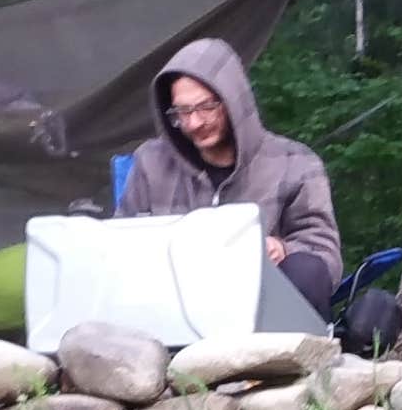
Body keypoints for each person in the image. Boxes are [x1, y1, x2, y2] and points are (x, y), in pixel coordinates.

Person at [116, 35, 344, 315]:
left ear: (233, 100)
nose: (194, 123)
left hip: (260, 309)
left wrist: (283, 249)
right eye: (182, 112)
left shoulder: (296, 163)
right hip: (171, 307)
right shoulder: (149, 163)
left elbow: (326, 258)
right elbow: (119, 248)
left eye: (205, 107)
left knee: (306, 271)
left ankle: (279, 356)